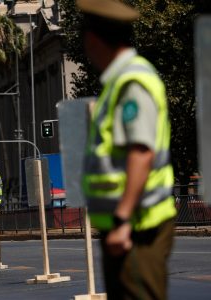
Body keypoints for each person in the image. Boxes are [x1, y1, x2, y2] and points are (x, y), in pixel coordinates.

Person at [77, 0, 177, 298]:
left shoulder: (132, 81)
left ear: (93, 39)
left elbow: (141, 151)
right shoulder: (119, 81)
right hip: (129, 226)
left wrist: (121, 219)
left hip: (137, 227)